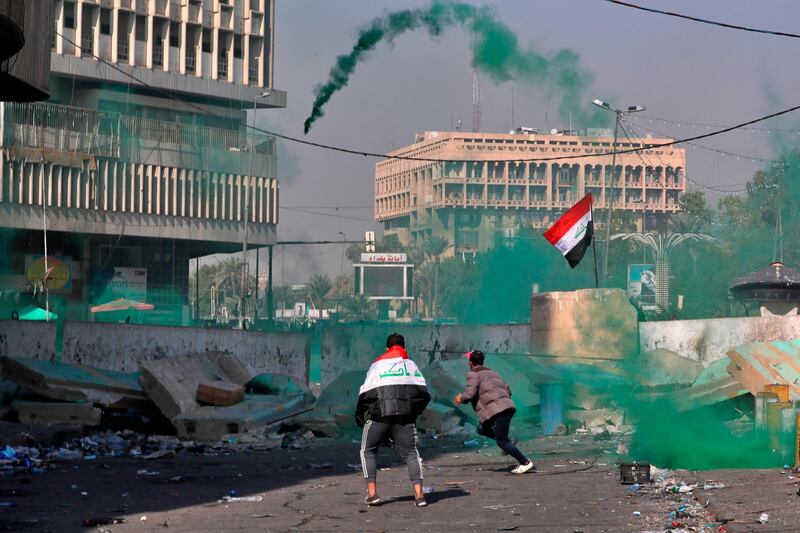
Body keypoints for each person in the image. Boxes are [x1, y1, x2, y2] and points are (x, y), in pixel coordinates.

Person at [355, 333, 431, 507]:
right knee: (411, 454)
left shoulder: (376, 366)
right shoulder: (411, 365)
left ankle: (372, 495)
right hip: (404, 420)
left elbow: (364, 394)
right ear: (404, 347)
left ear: (387, 348)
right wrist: (413, 414)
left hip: (379, 417)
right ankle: (419, 496)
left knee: (367, 451)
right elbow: (424, 395)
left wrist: (360, 417)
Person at [454, 349, 534, 474]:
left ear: (470, 363)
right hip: (506, 407)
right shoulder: (493, 373)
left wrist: (460, 398)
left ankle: (525, 462)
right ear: (483, 361)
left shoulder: (473, 374)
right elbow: (508, 391)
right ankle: (510, 440)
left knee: (502, 442)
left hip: (497, 411)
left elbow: (469, 395)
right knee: (482, 429)